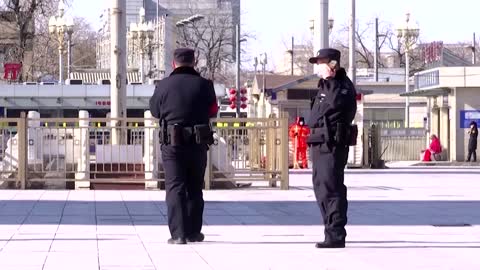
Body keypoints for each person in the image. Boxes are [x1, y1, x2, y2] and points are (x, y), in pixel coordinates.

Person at [149, 48, 218, 245]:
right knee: (195, 187)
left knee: (175, 186)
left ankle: (178, 234)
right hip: (198, 142)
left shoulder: (163, 85)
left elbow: (154, 110)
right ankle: (194, 232)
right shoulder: (205, 84)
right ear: (194, 62)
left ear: (174, 64)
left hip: (172, 143)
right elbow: (213, 110)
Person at [306, 48, 358, 249]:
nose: (317, 66)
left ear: (332, 64)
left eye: (321, 62)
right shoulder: (325, 85)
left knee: (332, 188)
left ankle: (336, 234)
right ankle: (330, 230)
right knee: (321, 188)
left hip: (333, 144)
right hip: (320, 143)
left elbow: (337, 103)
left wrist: (331, 80)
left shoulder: (341, 85)